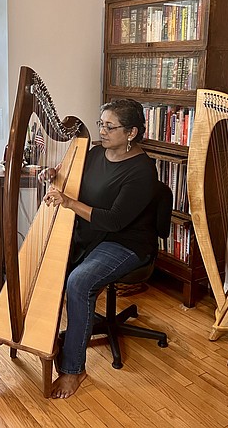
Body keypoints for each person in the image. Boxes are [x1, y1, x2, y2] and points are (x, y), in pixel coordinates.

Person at [41, 98, 161, 399]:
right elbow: (79, 184)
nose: (102, 131)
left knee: (79, 282)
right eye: (101, 124)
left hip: (126, 242)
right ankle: (40, 336)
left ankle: (73, 369)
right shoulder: (95, 153)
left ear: (131, 132)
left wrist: (68, 203)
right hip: (92, 233)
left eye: (110, 126)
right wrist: (55, 175)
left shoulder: (143, 171)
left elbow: (116, 220)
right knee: (47, 262)